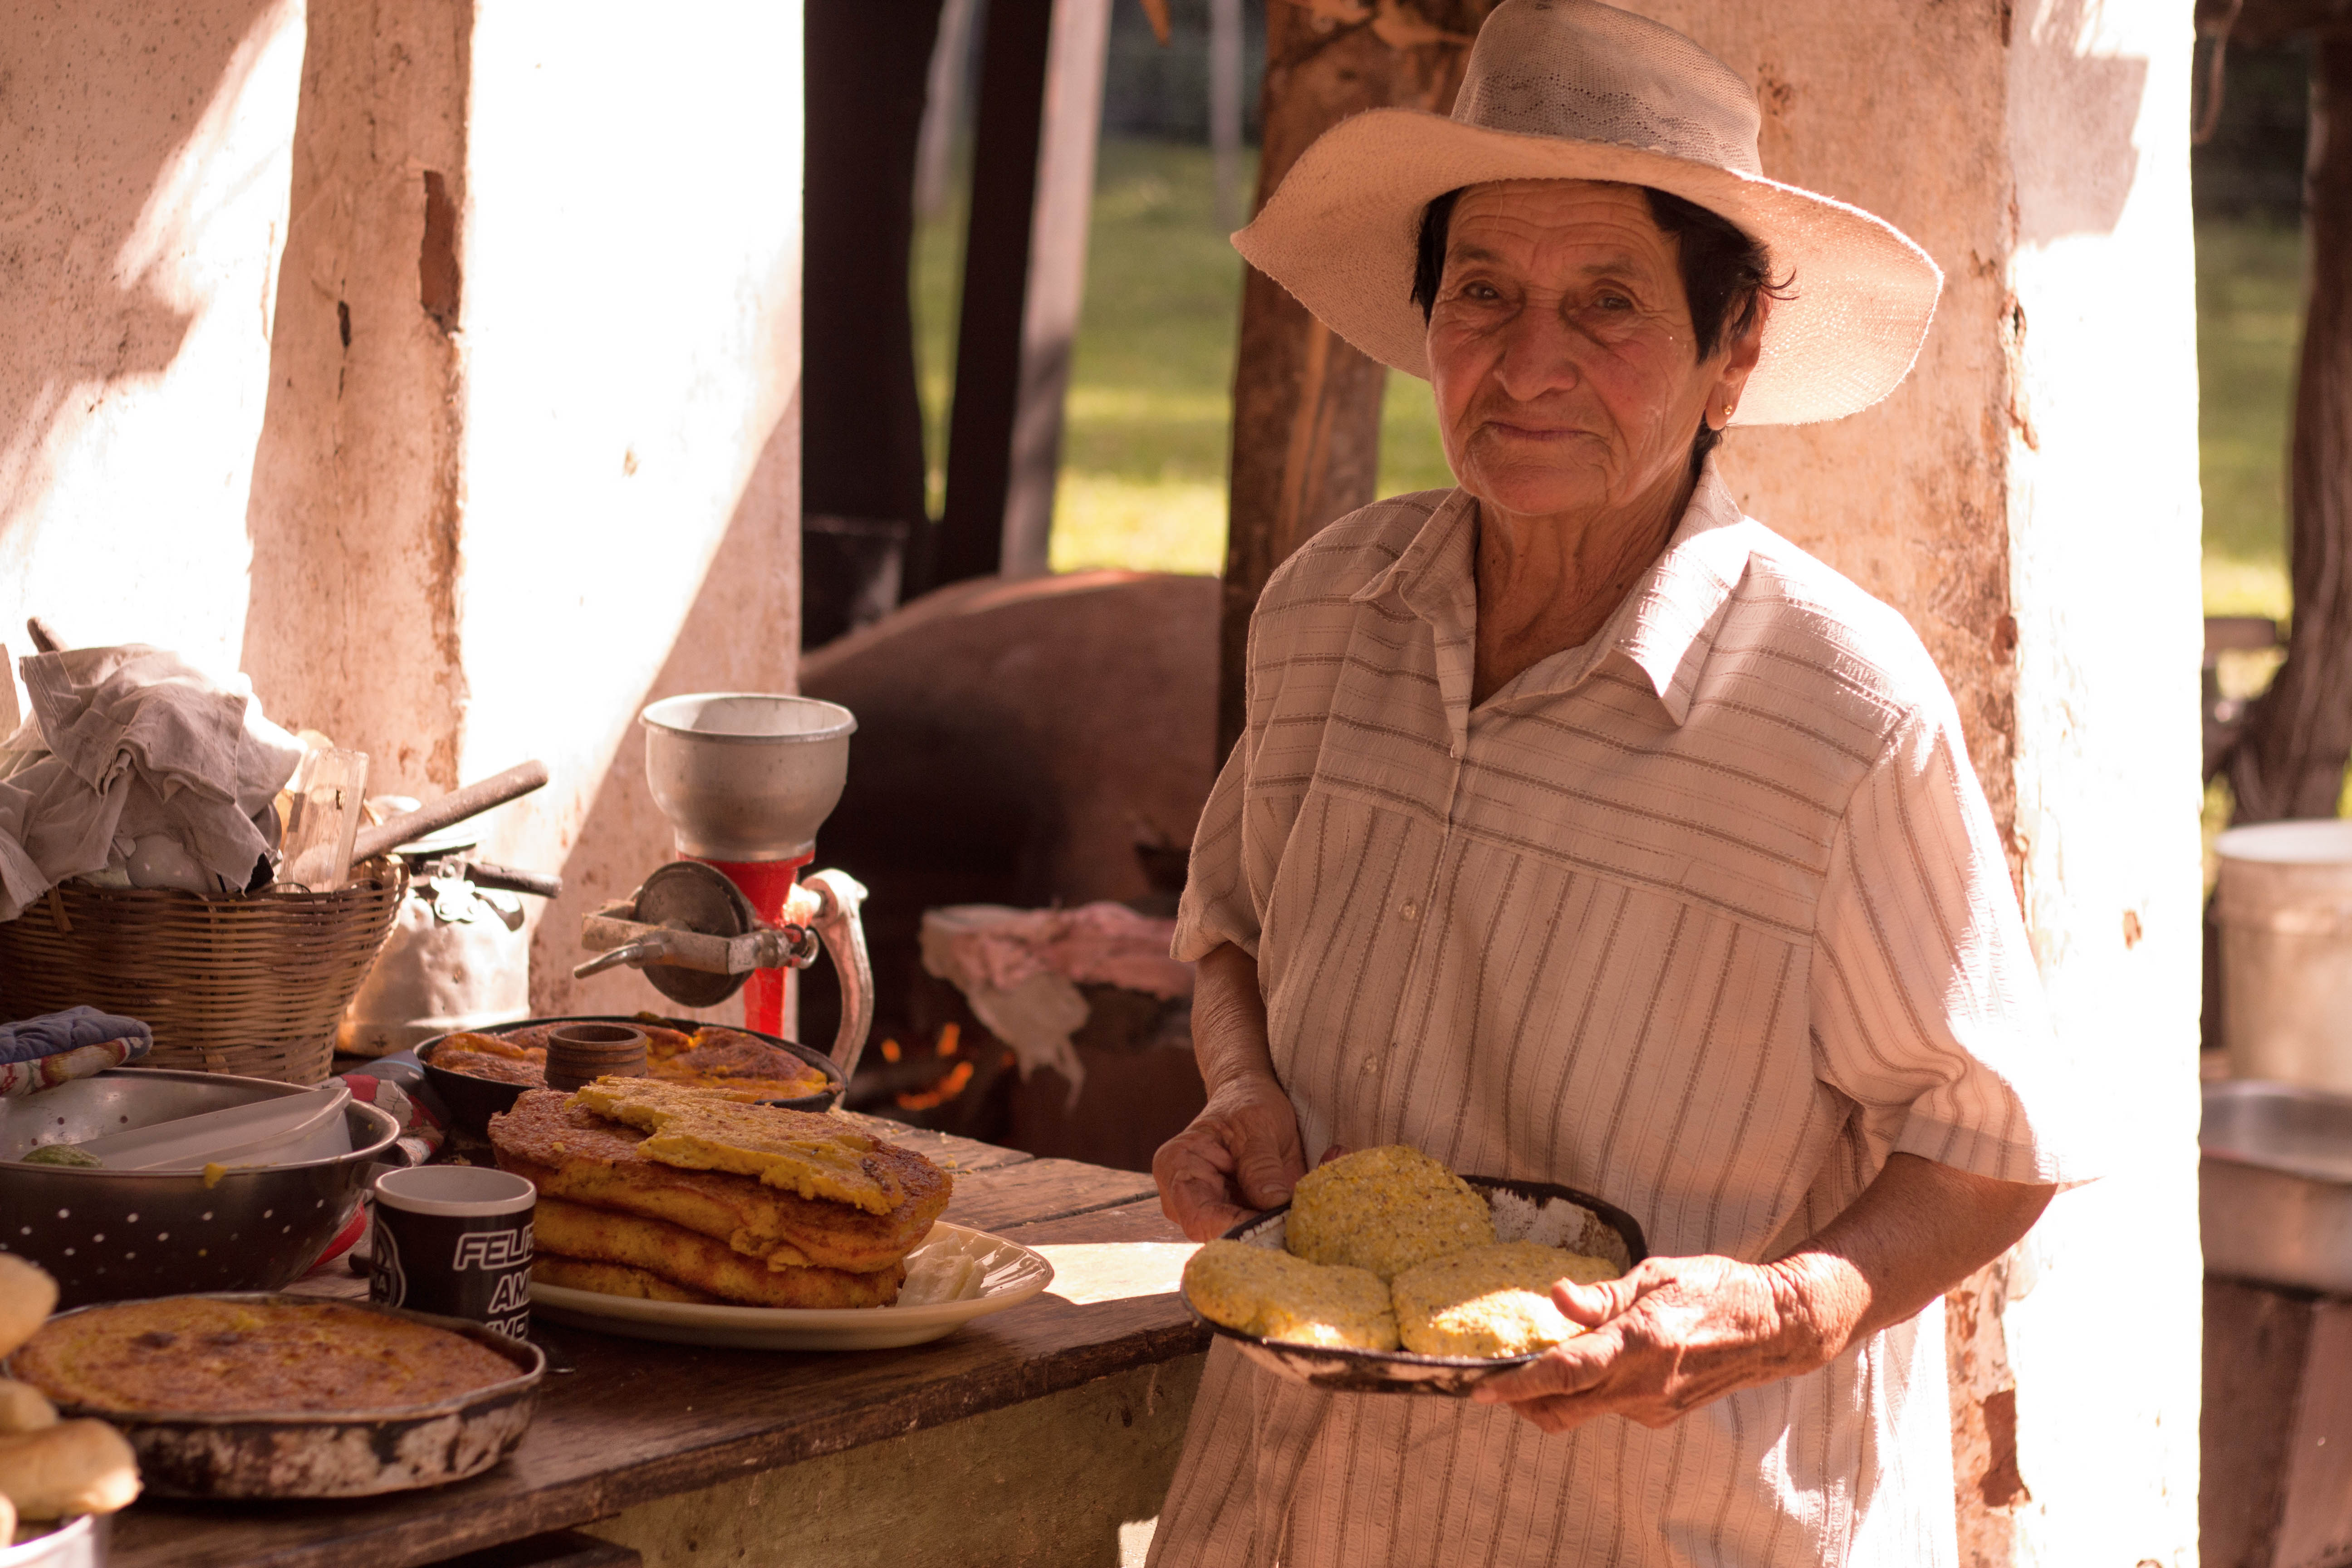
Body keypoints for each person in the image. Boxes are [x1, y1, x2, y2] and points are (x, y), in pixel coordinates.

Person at [1147, 3, 2089, 1564]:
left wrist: (1784, 1310)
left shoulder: (1838, 712)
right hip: (1293, 1509)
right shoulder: (1329, 614)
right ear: (1426, 318)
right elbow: (1230, 926)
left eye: (1608, 306)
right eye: (1484, 295)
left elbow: (1991, 1141)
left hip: (1659, 1522)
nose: (1530, 365)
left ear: (1733, 356)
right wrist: (1243, 1094)